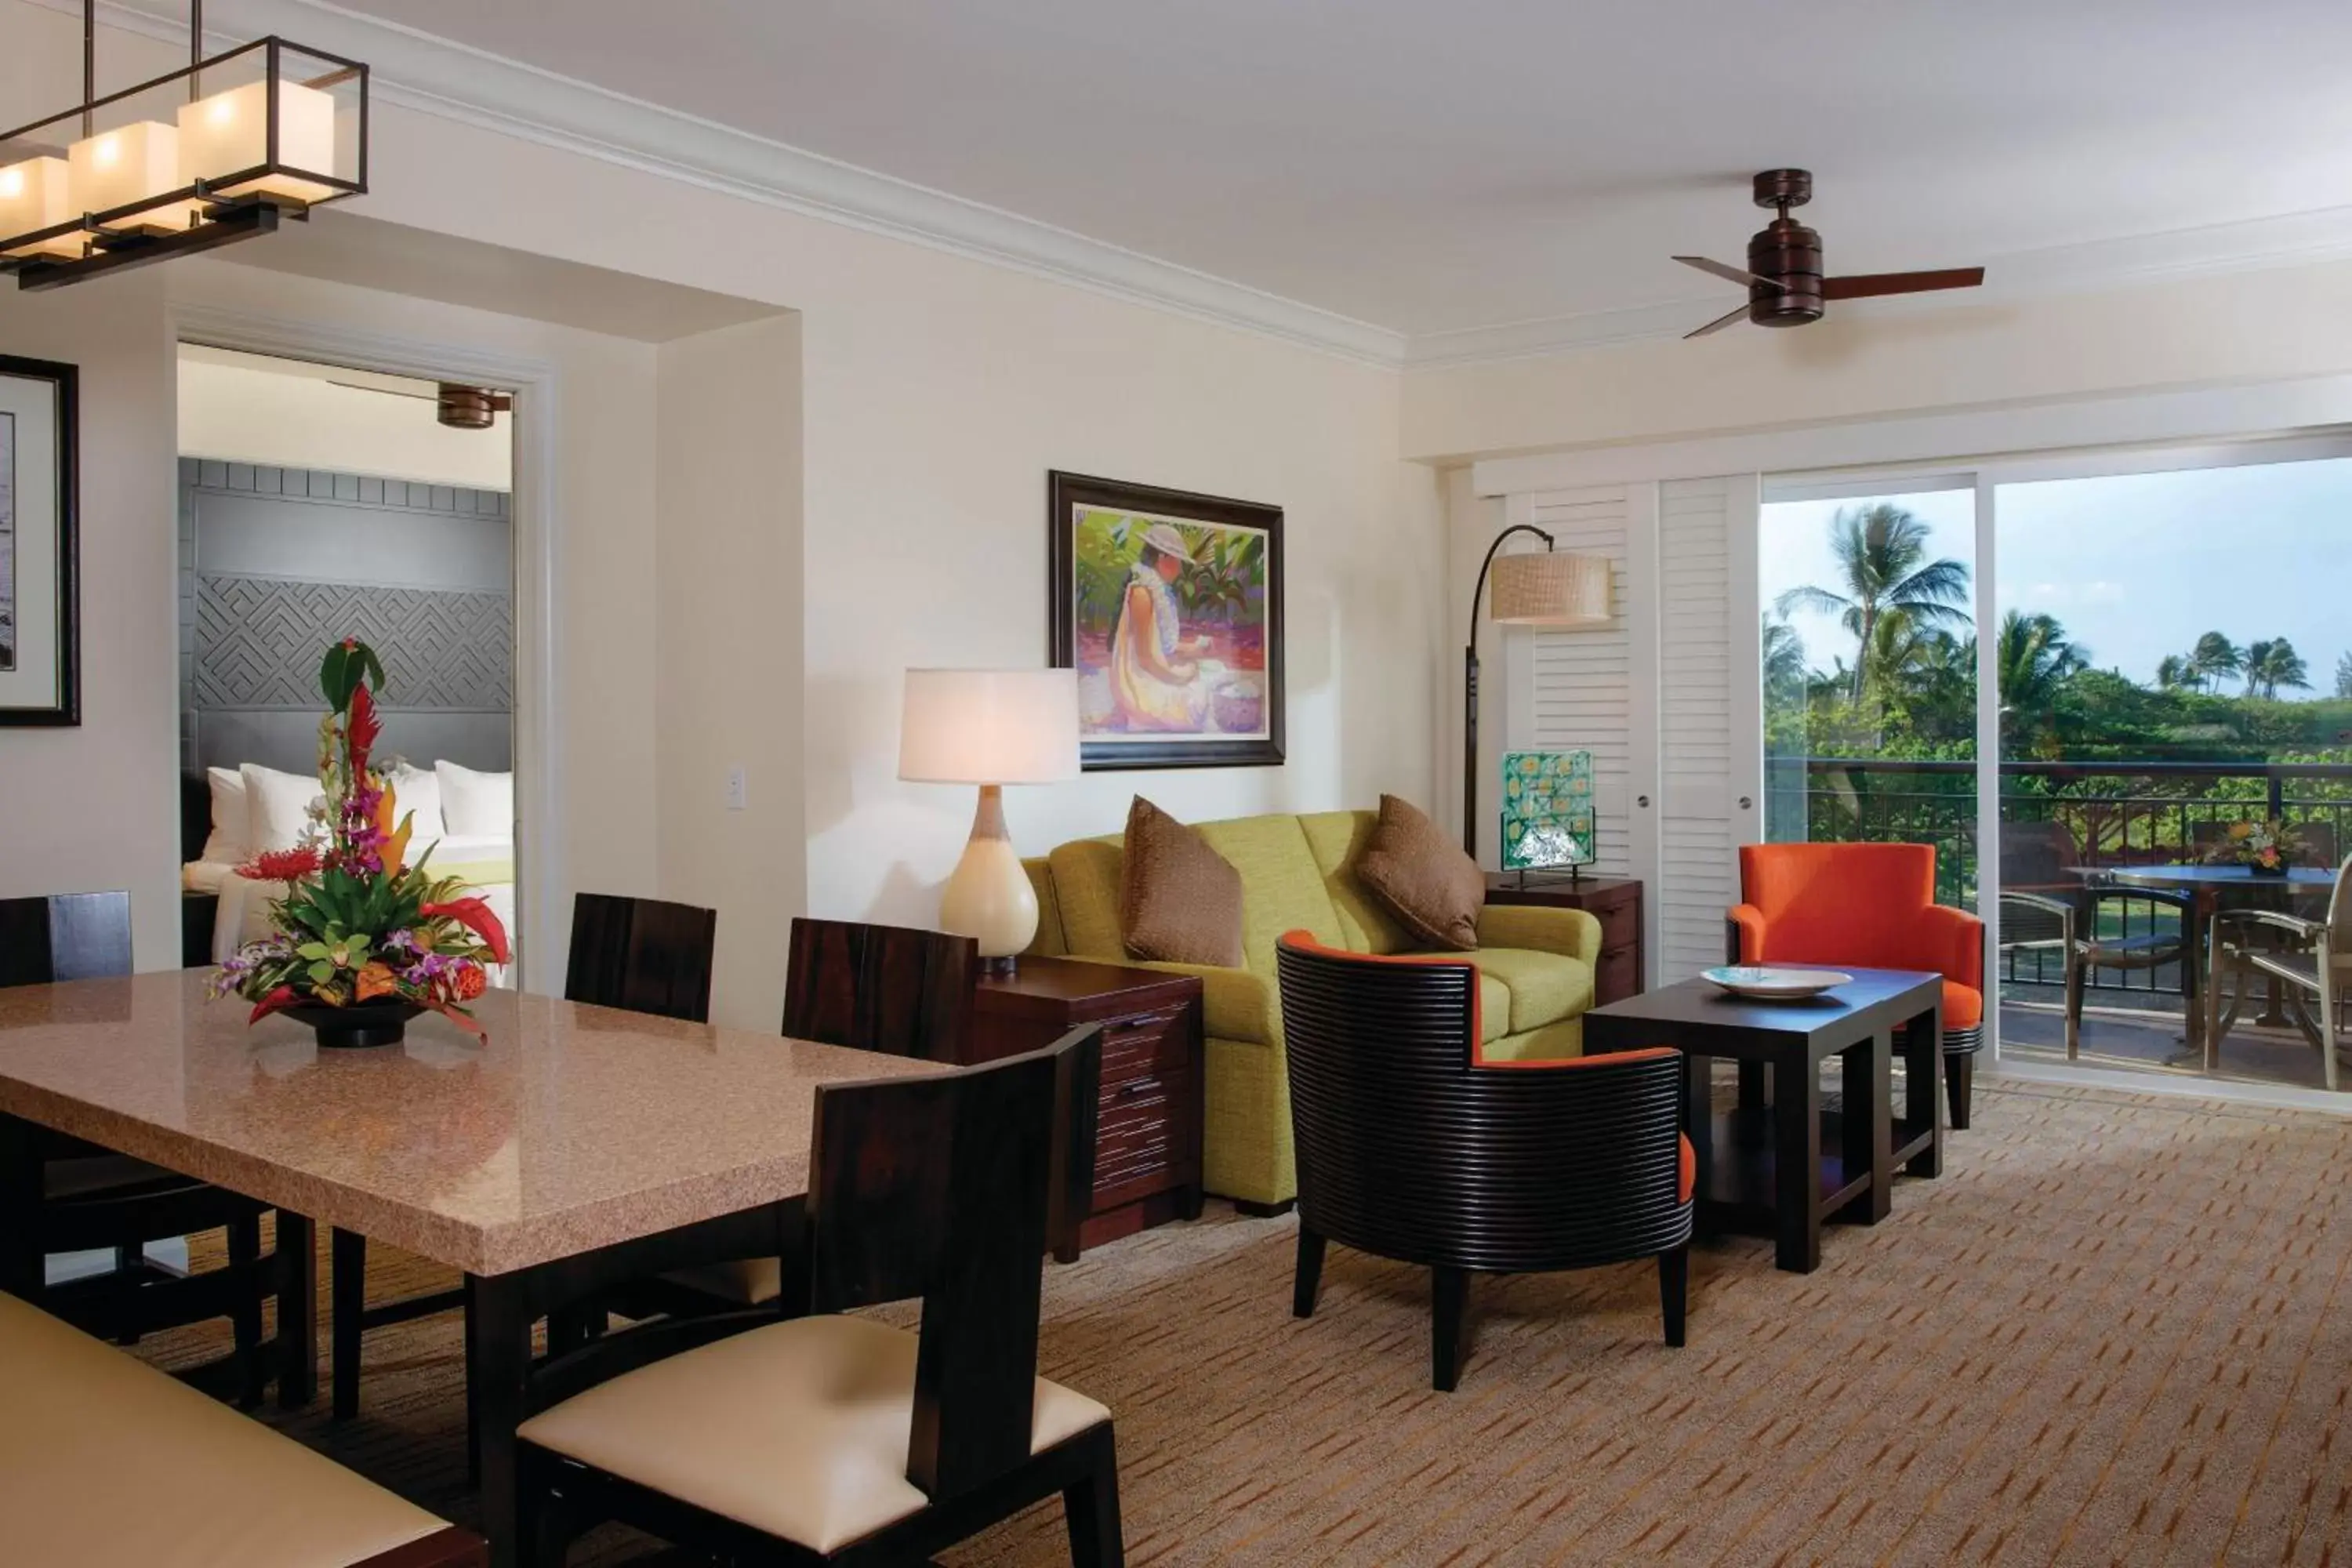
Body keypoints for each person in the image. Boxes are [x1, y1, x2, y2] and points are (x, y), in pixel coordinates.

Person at [1110, 522, 1216, 731]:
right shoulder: (1142, 594)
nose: (1179, 569)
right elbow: (1145, 659)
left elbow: (1163, 644)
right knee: (1198, 696)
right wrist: (1178, 678)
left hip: (1154, 667)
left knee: (1211, 671)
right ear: (1162, 558)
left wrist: (1194, 648)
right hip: (1141, 680)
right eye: (1177, 561)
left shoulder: (1158, 591)